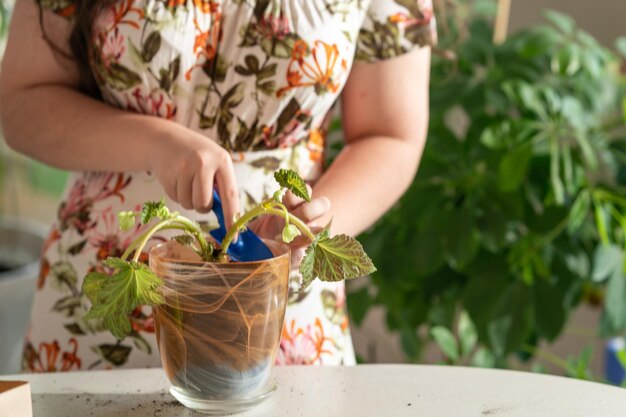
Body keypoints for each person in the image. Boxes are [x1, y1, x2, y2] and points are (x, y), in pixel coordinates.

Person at [0, 0, 435, 372]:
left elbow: (390, 133)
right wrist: (155, 143)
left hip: (278, 308)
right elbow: (22, 103)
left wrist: (316, 218)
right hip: (102, 298)